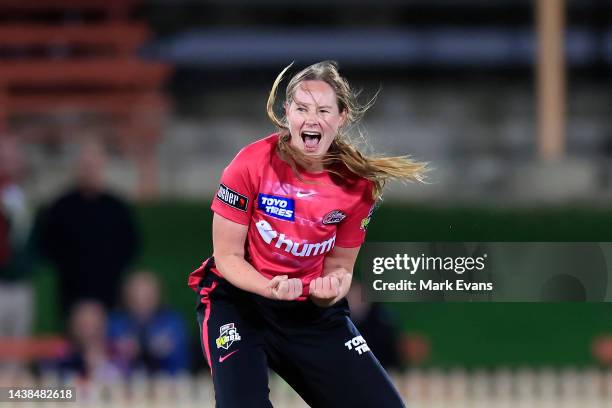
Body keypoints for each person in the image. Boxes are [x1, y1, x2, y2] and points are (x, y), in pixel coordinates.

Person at [188, 61, 426, 407]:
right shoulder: (249, 165)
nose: (311, 119)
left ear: (341, 117)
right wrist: (269, 286)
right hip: (239, 302)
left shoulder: (357, 187)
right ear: (287, 113)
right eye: (301, 108)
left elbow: (341, 267)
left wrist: (332, 289)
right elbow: (227, 257)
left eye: (323, 110)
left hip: (308, 312)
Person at [38, 139, 140, 316]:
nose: (89, 169)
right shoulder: (61, 206)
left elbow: (130, 243)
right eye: (85, 164)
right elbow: (47, 243)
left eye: (93, 164)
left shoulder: (116, 206)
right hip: (72, 290)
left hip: (109, 290)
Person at [108, 270, 189, 376]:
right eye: (135, 297)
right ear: (126, 298)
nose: (141, 303)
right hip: (124, 384)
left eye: (147, 297)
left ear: (158, 296)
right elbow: (105, 356)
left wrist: (157, 349)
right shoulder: (116, 323)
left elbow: (183, 357)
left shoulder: (173, 322)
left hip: (169, 383)